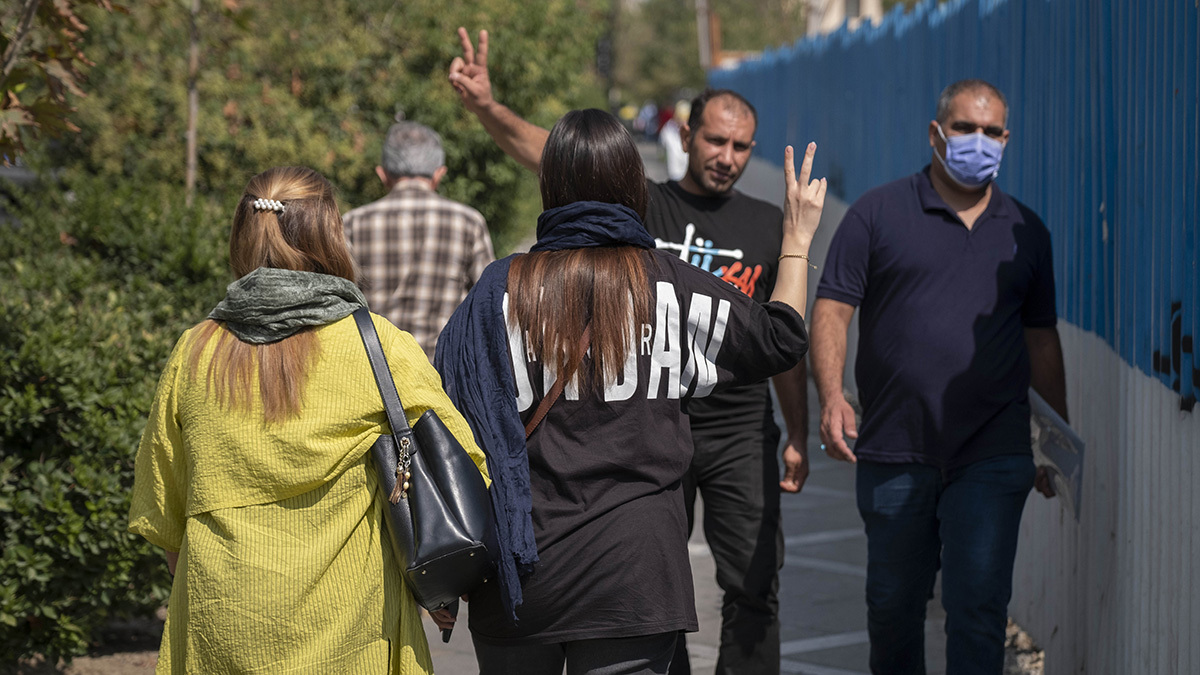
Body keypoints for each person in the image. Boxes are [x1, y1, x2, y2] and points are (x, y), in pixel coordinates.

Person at [448, 29, 811, 674]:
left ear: (549, 184)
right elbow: (780, 337)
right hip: (634, 578)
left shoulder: (497, 292)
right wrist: (799, 240)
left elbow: (446, 417)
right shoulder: (668, 285)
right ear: (633, 183)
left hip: (518, 579)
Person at [128, 166, 489, 674]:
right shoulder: (379, 347)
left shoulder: (193, 352)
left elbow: (165, 508)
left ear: (240, 234)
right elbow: (466, 466)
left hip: (222, 624)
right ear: (330, 234)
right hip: (352, 630)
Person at [810, 79, 1068, 675]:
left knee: (978, 608)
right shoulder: (877, 214)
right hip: (895, 446)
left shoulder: (1027, 232)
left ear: (1007, 139)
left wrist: (1057, 440)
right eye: (964, 128)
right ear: (935, 133)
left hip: (992, 449)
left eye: (992, 132)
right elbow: (832, 308)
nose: (979, 142)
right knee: (893, 607)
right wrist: (831, 396)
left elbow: (1041, 338)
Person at [343, 120, 495, 361]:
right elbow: (489, 304)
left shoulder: (352, 223)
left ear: (382, 175)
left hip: (374, 374)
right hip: (442, 376)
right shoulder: (468, 222)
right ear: (439, 174)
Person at [659, 100, 691, 181]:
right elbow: (662, 146)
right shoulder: (668, 130)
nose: (683, 122)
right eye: (681, 118)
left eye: (685, 119)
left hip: (688, 175)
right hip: (673, 174)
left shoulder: (692, 131)